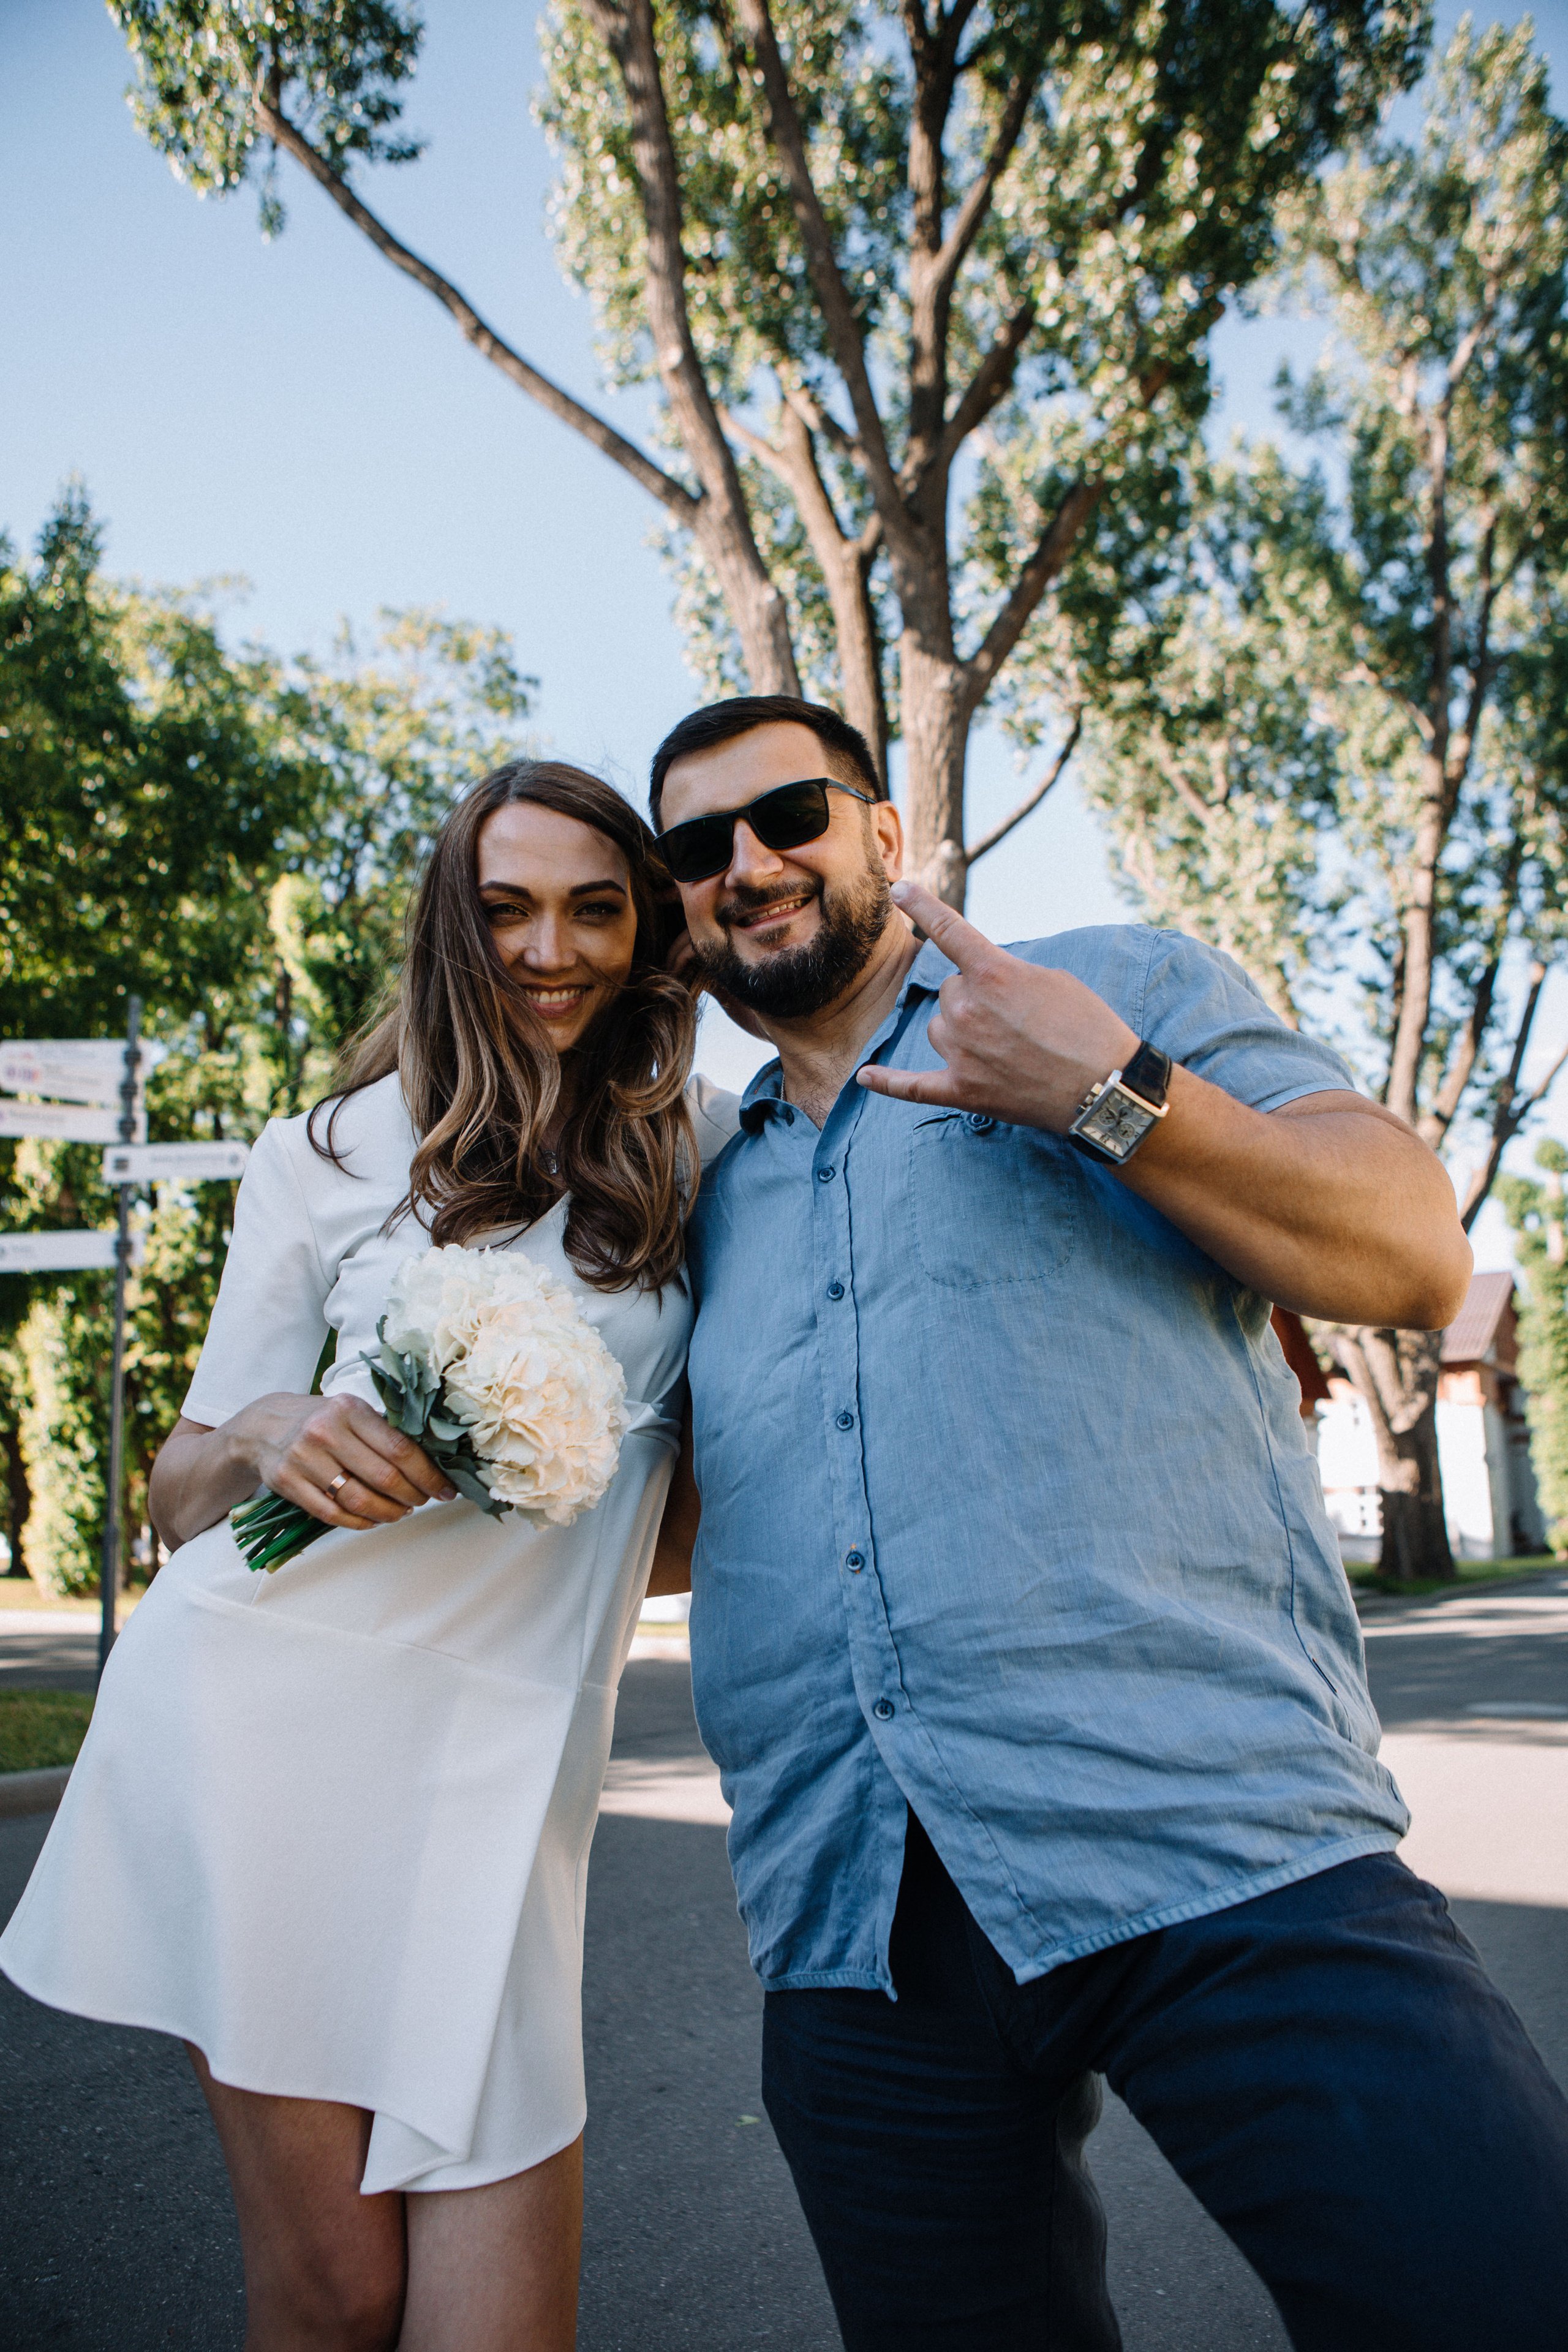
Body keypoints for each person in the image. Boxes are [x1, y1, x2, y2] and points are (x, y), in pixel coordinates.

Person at [651, 693, 1568, 2352]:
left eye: (787, 811)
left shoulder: (1115, 990)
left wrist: (1109, 1089)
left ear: (884, 834)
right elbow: (677, 1531)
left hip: (1220, 1847)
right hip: (854, 1930)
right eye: (697, 845)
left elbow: (1414, 1252)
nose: (747, 861)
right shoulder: (703, 1196)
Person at [0, 761, 737, 2352]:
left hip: (513, 1759)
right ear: (449, 933)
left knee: (500, 2329)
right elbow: (178, 1492)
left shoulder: (703, 1150)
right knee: (334, 2298)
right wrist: (274, 1436)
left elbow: (669, 1525)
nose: (551, 948)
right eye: (508, 909)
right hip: (269, 1731)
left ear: (644, 933)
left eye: (595, 908)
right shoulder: (329, 1152)